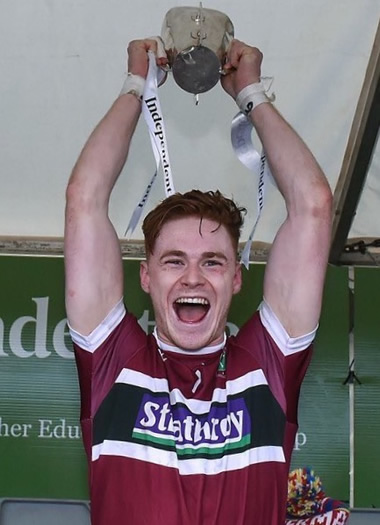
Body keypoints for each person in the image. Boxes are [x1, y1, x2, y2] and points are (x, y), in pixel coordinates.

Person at [64, 38, 332, 525]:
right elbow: (85, 197)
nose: (193, 276)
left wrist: (250, 92)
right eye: (173, 261)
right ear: (145, 276)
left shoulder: (266, 365)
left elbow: (313, 206)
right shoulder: (113, 362)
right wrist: (134, 85)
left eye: (212, 262)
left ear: (235, 279)